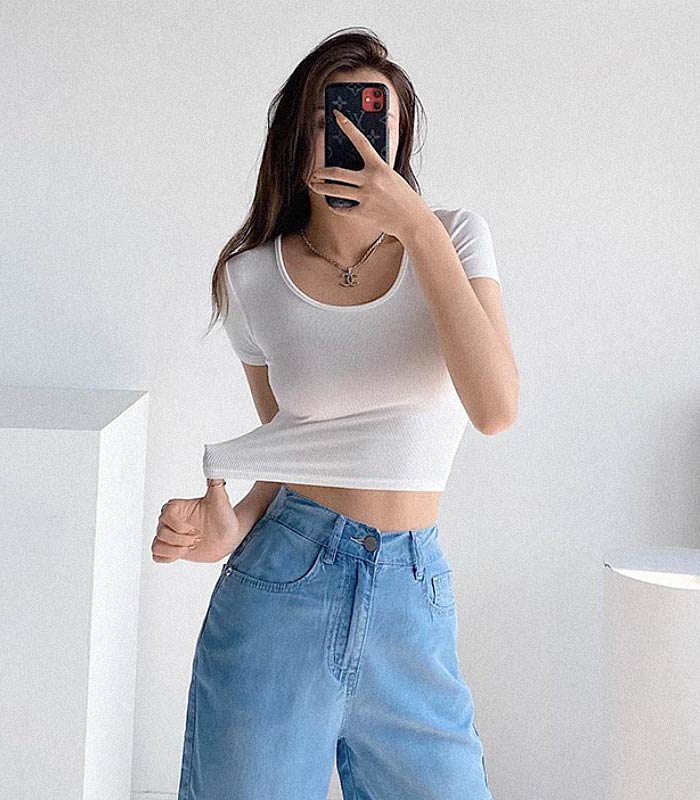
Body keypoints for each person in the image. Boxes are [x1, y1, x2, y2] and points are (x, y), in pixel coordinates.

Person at [153, 27, 518, 800]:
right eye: (332, 119)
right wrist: (230, 526)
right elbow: (292, 452)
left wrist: (415, 226)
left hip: (413, 595)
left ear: (400, 141)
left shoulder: (453, 238)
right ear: (298, 137)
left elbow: (495, 408)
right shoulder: (252, 277)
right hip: (284, 583)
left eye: (374, 121)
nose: (354, 138)